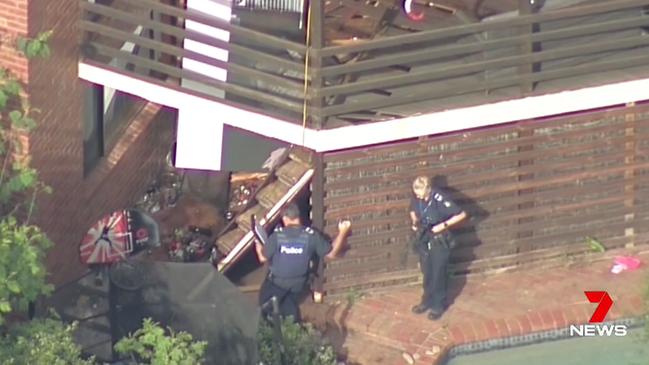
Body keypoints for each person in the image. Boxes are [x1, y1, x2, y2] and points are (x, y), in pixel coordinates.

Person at [255, 203, 351, 322]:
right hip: (298, 285)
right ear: (298, 217)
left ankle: (271, 330)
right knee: (289, 309)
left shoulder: (278, 236)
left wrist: (258, 246)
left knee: (264, 307)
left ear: (285, 218)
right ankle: (292, 328)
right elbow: (331, 254)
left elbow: (262, 258)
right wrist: (342, 232)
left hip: (276, 284)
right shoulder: (311, 235)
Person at [409, 176, 467, 320]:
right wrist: (415, 221)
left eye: (420, 193)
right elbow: (412, 209)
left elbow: (461, 214)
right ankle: (426, 300)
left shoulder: (439, 198)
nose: (418, 196)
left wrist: (443, 225)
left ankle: (438, 305)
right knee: (427, 272)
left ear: (428, 189)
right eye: (416, 193)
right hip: (425, 239)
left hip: (439, 240)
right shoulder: (417, 198)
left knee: (438, 273)